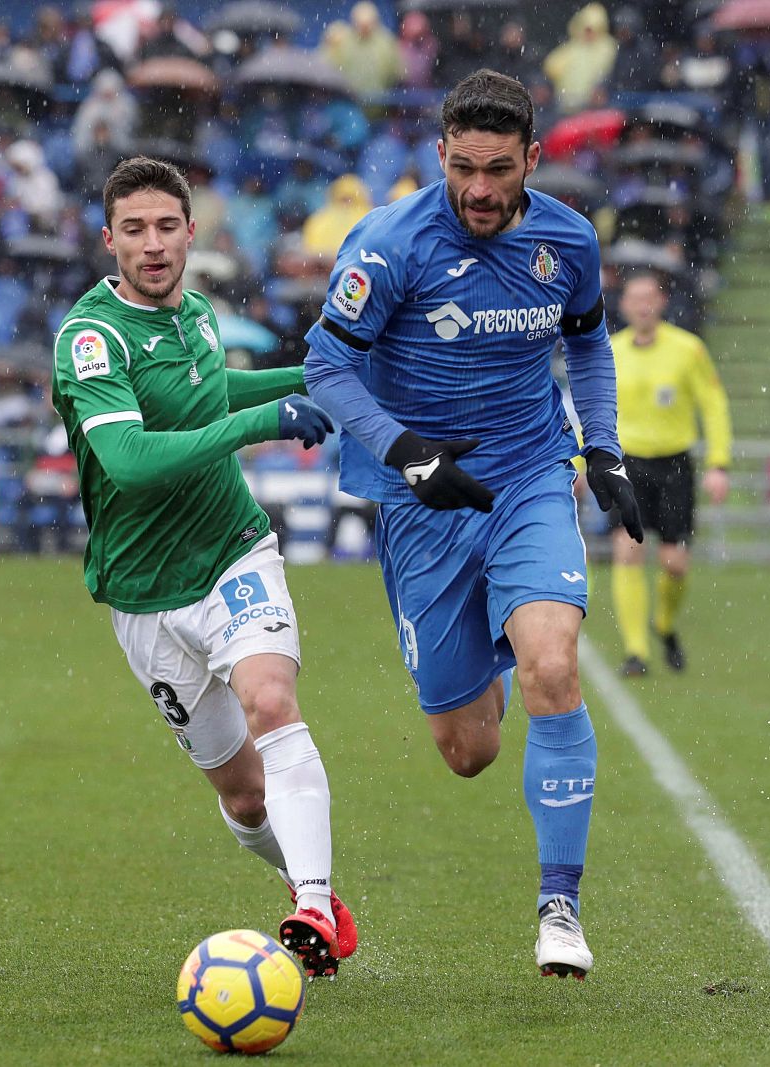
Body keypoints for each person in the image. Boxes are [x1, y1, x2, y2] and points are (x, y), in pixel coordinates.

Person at [303, 70, 642, 979]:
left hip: (531, 474)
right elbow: (326, 368)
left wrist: (601, 447)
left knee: (555, 665)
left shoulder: (569, 239)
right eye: (463, 168)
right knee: (469, 750)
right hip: (423, 501)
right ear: (439, 157)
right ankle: (481, 659)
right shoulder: (388, 244)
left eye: (499, 169)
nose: (481, 189)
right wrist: (404, 448)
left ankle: (559, 905)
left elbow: (586, 340)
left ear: (533, 159)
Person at [49, 157, 355, 976]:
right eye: (136, 230)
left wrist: (321, 375)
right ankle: (306, 882)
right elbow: (132, 460)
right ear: (109, 239)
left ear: (193, 231)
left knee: (271, 696)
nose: (154, 245)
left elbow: (209, 390)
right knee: (244, 795)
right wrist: (264, 421)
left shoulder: (195, 312)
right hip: (143, 595)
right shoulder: (91, 337)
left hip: (231, 551)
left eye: (168, 226)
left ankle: (314, 906)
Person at [608, 272, 731, 677]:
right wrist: (577, 465)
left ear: (661, 302)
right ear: (623, 305)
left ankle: (663, 623)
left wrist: (718, 463)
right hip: (627, 463)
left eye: (650, 297)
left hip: (675, 463)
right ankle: (635, 652)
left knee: (674, 562)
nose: (643, 305)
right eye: (634, 297)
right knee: (628, 552)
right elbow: (591, 412)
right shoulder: (609, 351)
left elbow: (712, 404)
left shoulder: (687, 349)